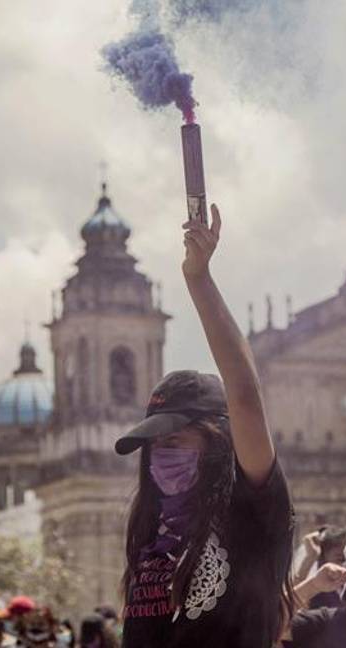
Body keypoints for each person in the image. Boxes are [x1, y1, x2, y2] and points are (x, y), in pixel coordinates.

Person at [114, 204, 294, 648]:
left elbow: (246, 397)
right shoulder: (152, 529)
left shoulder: (249, 506)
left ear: (217, 438)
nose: (161, 455)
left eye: (175, 438)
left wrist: (198, 279)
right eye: (154, 445)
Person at [293, 526, 346, 609]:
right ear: (323, 559)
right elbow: (291, 605)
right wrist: (311, 557)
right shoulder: (317, 589)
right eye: (340, 559)